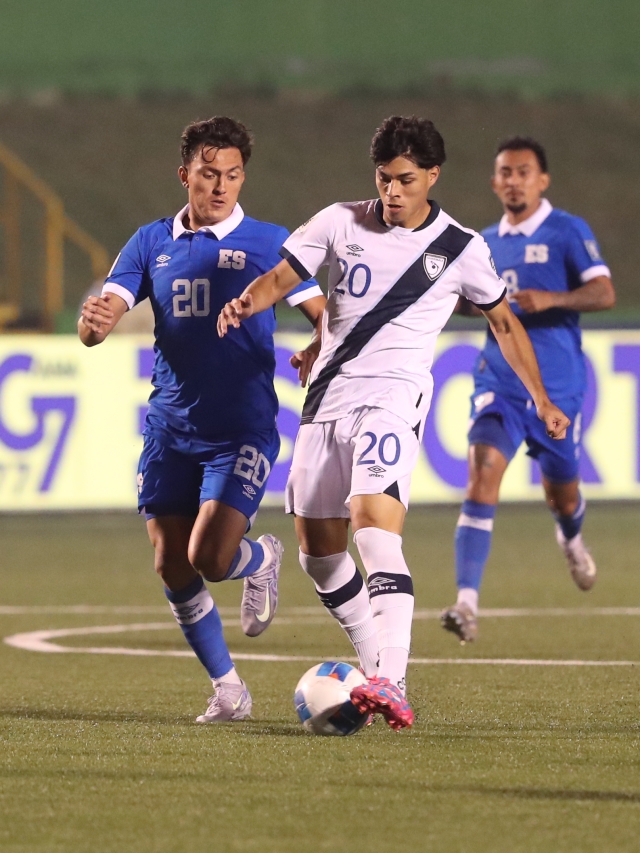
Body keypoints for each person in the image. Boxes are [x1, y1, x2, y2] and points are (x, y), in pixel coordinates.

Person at [218, 116, 570, 730]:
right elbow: (284, 277)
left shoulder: (460, 247)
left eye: (406, 180)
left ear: (432, 176)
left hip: (393, 398)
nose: (392, 191)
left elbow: (504, 323)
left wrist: (540, 398)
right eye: (384, 178)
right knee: (318, 556)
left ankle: (392, 679)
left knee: (374, 529)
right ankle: (374, 661)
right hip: (326, 400)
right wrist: (249, 301)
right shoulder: (339, 221)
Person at [78, 116, 325, 721]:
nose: (220, 186)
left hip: (241, 427)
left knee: (212, 559)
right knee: (171, 562)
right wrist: (94, 322)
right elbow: (105, 312)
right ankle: (229, 690)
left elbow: (326, 314)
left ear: (243, 178)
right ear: (184, 174)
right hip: (170, 427)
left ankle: (260, 558)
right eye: (208, 174)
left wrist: (320, 342)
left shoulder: (269, 242)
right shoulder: (149, 242)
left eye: (232, 176)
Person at [441, 136, 615, 644]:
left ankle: (571, 537)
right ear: (494, 182)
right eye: (506, 173)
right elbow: (469, 303)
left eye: (523, 172)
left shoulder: (566, 230)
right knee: (481, 473)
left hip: (557, 391)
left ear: (542, 180)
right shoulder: (483, 242)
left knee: (563, 492)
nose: (514, 180)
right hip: (499, 382)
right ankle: (466, 603)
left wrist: (552, 299)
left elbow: (604, 292)